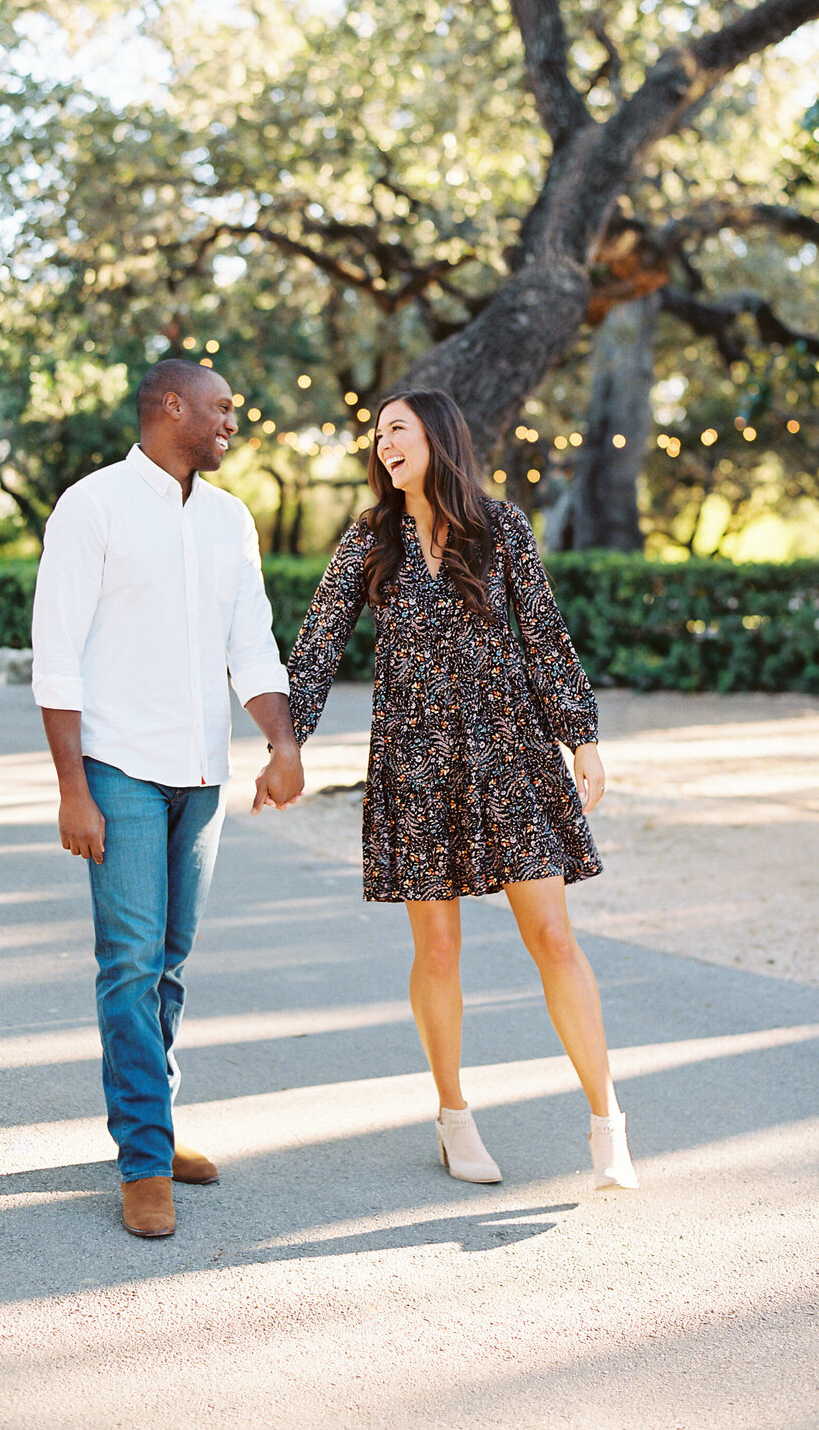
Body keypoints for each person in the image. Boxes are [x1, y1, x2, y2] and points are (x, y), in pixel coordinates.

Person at [286, 389, 637, 1191]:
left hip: (510, 753)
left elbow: (544, 638)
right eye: (377, 435)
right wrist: (287, 745)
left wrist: (582, 737)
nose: (383, 444)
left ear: (438, 438)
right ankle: (453, 1115)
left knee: (553, 937)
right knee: (438, 948)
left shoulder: (500, 526)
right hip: (416, 762)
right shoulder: (369, 539)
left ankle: (607, 1120)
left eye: (396, 429)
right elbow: (317, 644)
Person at [31, 359, 304, 1238]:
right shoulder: (92, 505)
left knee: (170, 965)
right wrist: (73, 790)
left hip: (203, 777)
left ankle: (157, 1120)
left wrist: (283, 740)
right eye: (222, 407)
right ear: (170, 406)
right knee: (130, 965)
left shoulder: (230, 520)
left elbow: (252, 644)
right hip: (119, 769)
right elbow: (57, 659)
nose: (233, 419)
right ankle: (143, 1158)